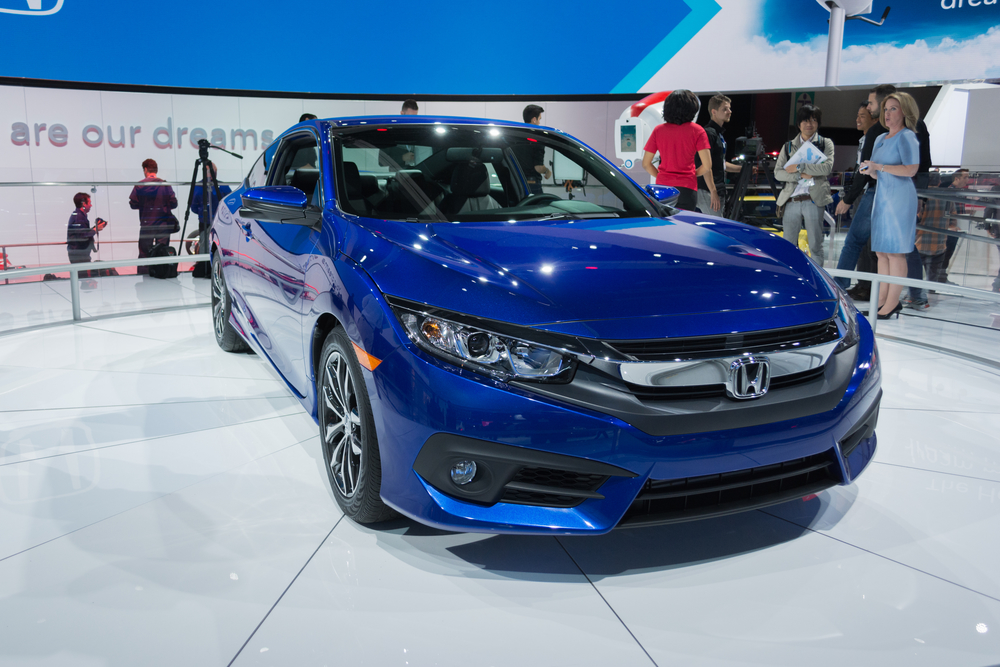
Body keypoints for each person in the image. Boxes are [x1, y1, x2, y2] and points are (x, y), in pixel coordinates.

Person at [834, 86, 899, 294]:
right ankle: (889, 296)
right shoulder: (908, 128)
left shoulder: (877, 132)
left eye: (870, 104)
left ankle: (839, 286)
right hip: (898, 193)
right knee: (889, 250)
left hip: (876, 192)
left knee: (855, 242)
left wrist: (848, 198)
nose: (869, 107)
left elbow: (864, 169)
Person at [863, 91, 921, 319]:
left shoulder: (907, 137)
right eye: (886, 109)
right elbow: (879, 173)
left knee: (896, 253)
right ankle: (881, 300)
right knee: (882, 252)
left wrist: (881, 168)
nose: (887, 114)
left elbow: (911, 169)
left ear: (905, 111)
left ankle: (893, 302)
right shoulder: (880, 138)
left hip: (900, 198)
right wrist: (872, 170)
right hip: (882, 195)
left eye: (893, 109)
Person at [774, 104, 835, 266]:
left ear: (818, 123)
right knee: (788, 246)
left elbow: (827, 168)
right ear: (799, 123)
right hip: (791, 201)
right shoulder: (788, 146)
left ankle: (817, 283)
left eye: (814, 120)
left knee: (815, 246)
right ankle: (790, 281)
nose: (809, 124)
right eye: (805, 120)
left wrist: (801, 166)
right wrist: (799, 174)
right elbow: (778, 172)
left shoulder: (825, 143)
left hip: (814, 200)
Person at [641, 90, 715, 211]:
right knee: (685, 226)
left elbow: (646, 164)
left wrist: (661, 176)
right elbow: (707, 166)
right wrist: (691, 175)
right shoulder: (698, 130)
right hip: (687, 189)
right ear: (692, 108)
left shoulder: (658, 130)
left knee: (664, 226)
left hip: (662, 188)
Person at [129, 159, 178, 274]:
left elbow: (133, 204)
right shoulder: (164, 184)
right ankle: (161, 273)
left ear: (145, 169)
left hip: (147, 224)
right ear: (156, 170)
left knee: (144, 253)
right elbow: (174, 203)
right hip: (163, 223)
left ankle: (144, 276)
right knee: (162, 251)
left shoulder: (140, 185)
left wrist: (144, 205)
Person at [696, 94, 742, 216]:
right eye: (725, 109)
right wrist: (713, 191)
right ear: (714, 112)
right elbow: (705, 165)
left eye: (729, 108)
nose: (729, 111)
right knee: (714, 229)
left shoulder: (717, 134)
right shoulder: (709, 134)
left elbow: (720, 163)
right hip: (708, 190)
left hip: (715, 189)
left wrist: (741, 169)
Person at [510, 104, 552, 195]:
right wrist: (547, 171)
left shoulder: (515, 137)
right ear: (534, 119)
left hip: (516, 182)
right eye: (539, 119)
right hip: (532, 184)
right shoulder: (537, 139)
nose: (539, 123)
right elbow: (538, 167)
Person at [940, 168, 970, 284]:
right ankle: (939, 278)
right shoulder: (949, 192)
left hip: (958, 227)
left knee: (949, 252)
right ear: (956, 178)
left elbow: (957, 210)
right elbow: (945, 211)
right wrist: (950, 225)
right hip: (950, 229)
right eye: (965, 177)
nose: (967, 180)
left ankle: (941, 277)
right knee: (945, 253)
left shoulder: (961, 192)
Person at [66, 192, 107, 274]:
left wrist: (95, 228)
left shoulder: (78, 215)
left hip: (78, 253)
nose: (91, 205)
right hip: (79, 254)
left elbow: (81, 233)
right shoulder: (79, 216)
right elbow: (82, 235)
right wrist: (95, 229)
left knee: (84, 278)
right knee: (85, 278)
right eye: (90, 203)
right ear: (84, 204)